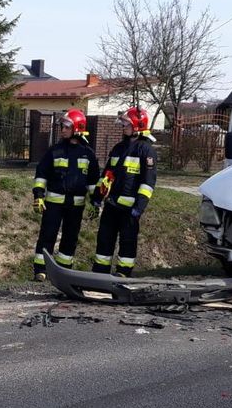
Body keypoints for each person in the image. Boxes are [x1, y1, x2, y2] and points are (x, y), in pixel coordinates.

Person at [31, 109, 99, 282]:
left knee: (70, 239)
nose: (63, 130)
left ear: (77, 128)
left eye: (67, 127)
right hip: (53, 203)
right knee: (47, 236)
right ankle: (41, 270)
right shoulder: (54, 151)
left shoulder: (88, 154)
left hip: (76, 206)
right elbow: (41, 175)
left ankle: (63, 271)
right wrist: (38, 195)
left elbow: (93, 182)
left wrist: (97, 202)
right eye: (62, 126)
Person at [91, 106, 157, 277]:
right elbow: (106, 174)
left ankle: (123, 273)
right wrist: (97, 196)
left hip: (130, 208)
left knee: (127, 241)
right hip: (111, 204)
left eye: (126, 124)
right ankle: (100, 273)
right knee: (104, 239)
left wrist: (139, 207)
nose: (123, 127)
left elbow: (148, 182)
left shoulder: (146, 150)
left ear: (137, 125)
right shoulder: (119, 148)